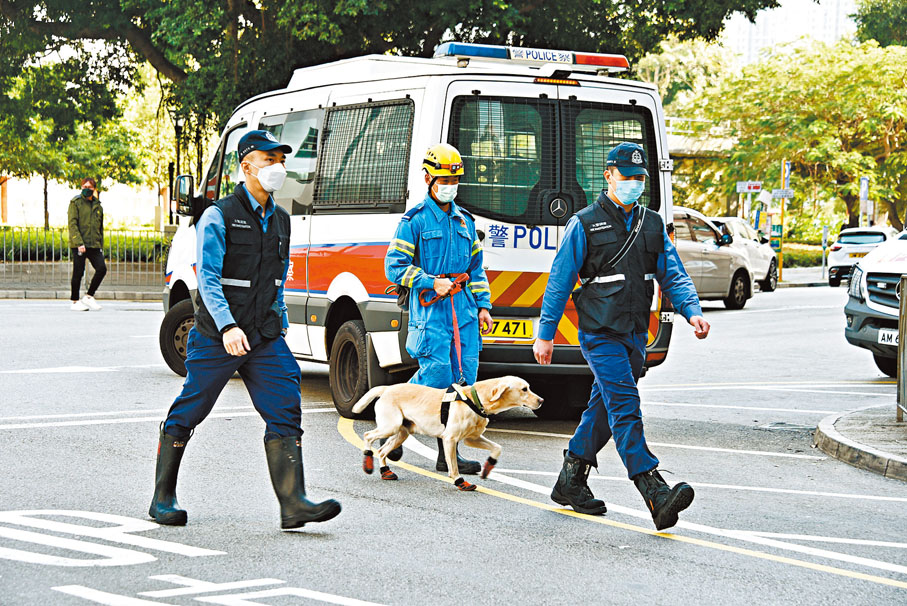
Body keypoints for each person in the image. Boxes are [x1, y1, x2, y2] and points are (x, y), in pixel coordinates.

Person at [149, 130, 341, 530]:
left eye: (280, 160)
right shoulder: (219, 215)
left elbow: (273, 282)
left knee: (285, 402)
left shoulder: (282, 220)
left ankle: (294, 503)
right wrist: (227, 326)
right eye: (269, 159)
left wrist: (279, 322)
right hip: (220, 335)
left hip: (263, 334)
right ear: (247, 165)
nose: (278, 167)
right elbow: (210, 281)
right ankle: (162, 497)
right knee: (193, 406)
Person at [533, 142, 710, 531]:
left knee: (603, 406)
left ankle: (570, 480)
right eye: (627, 177)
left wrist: (692, 310)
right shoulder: (584, 223)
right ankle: (654, 490)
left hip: (634, 334)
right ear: (609, 175)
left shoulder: (651, 224)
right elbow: (560, 281)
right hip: (599, 333)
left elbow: (673, 274)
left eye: (639, 178)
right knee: (625, 405)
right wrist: (545, 334)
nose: (634, 184)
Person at [384, 143, 494, 476]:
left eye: (455, 180)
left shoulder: (464, 221)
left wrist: (484, 307)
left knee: (463, 384)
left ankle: (449, 454)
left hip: (464, 311)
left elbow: (476, 269)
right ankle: (399, 416)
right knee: (436, 376)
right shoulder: (414, 221)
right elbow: (395, 266)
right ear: (429, 179)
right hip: (431, 312)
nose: (450, 186)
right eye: (444, 179)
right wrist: (431, 282)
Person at [68, 178, 106, 311]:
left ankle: (89, 297)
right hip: (80, 244)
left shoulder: (98, 206)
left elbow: (100, 227)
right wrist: (78, 242)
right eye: (84, 186)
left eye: (89, 187)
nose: (86, 188)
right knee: (78, 272)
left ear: (94, 189)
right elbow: (72, 224)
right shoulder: (75, 203)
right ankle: (74, 301)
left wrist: (100, 244)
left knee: (102, 269)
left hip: (94, 244)